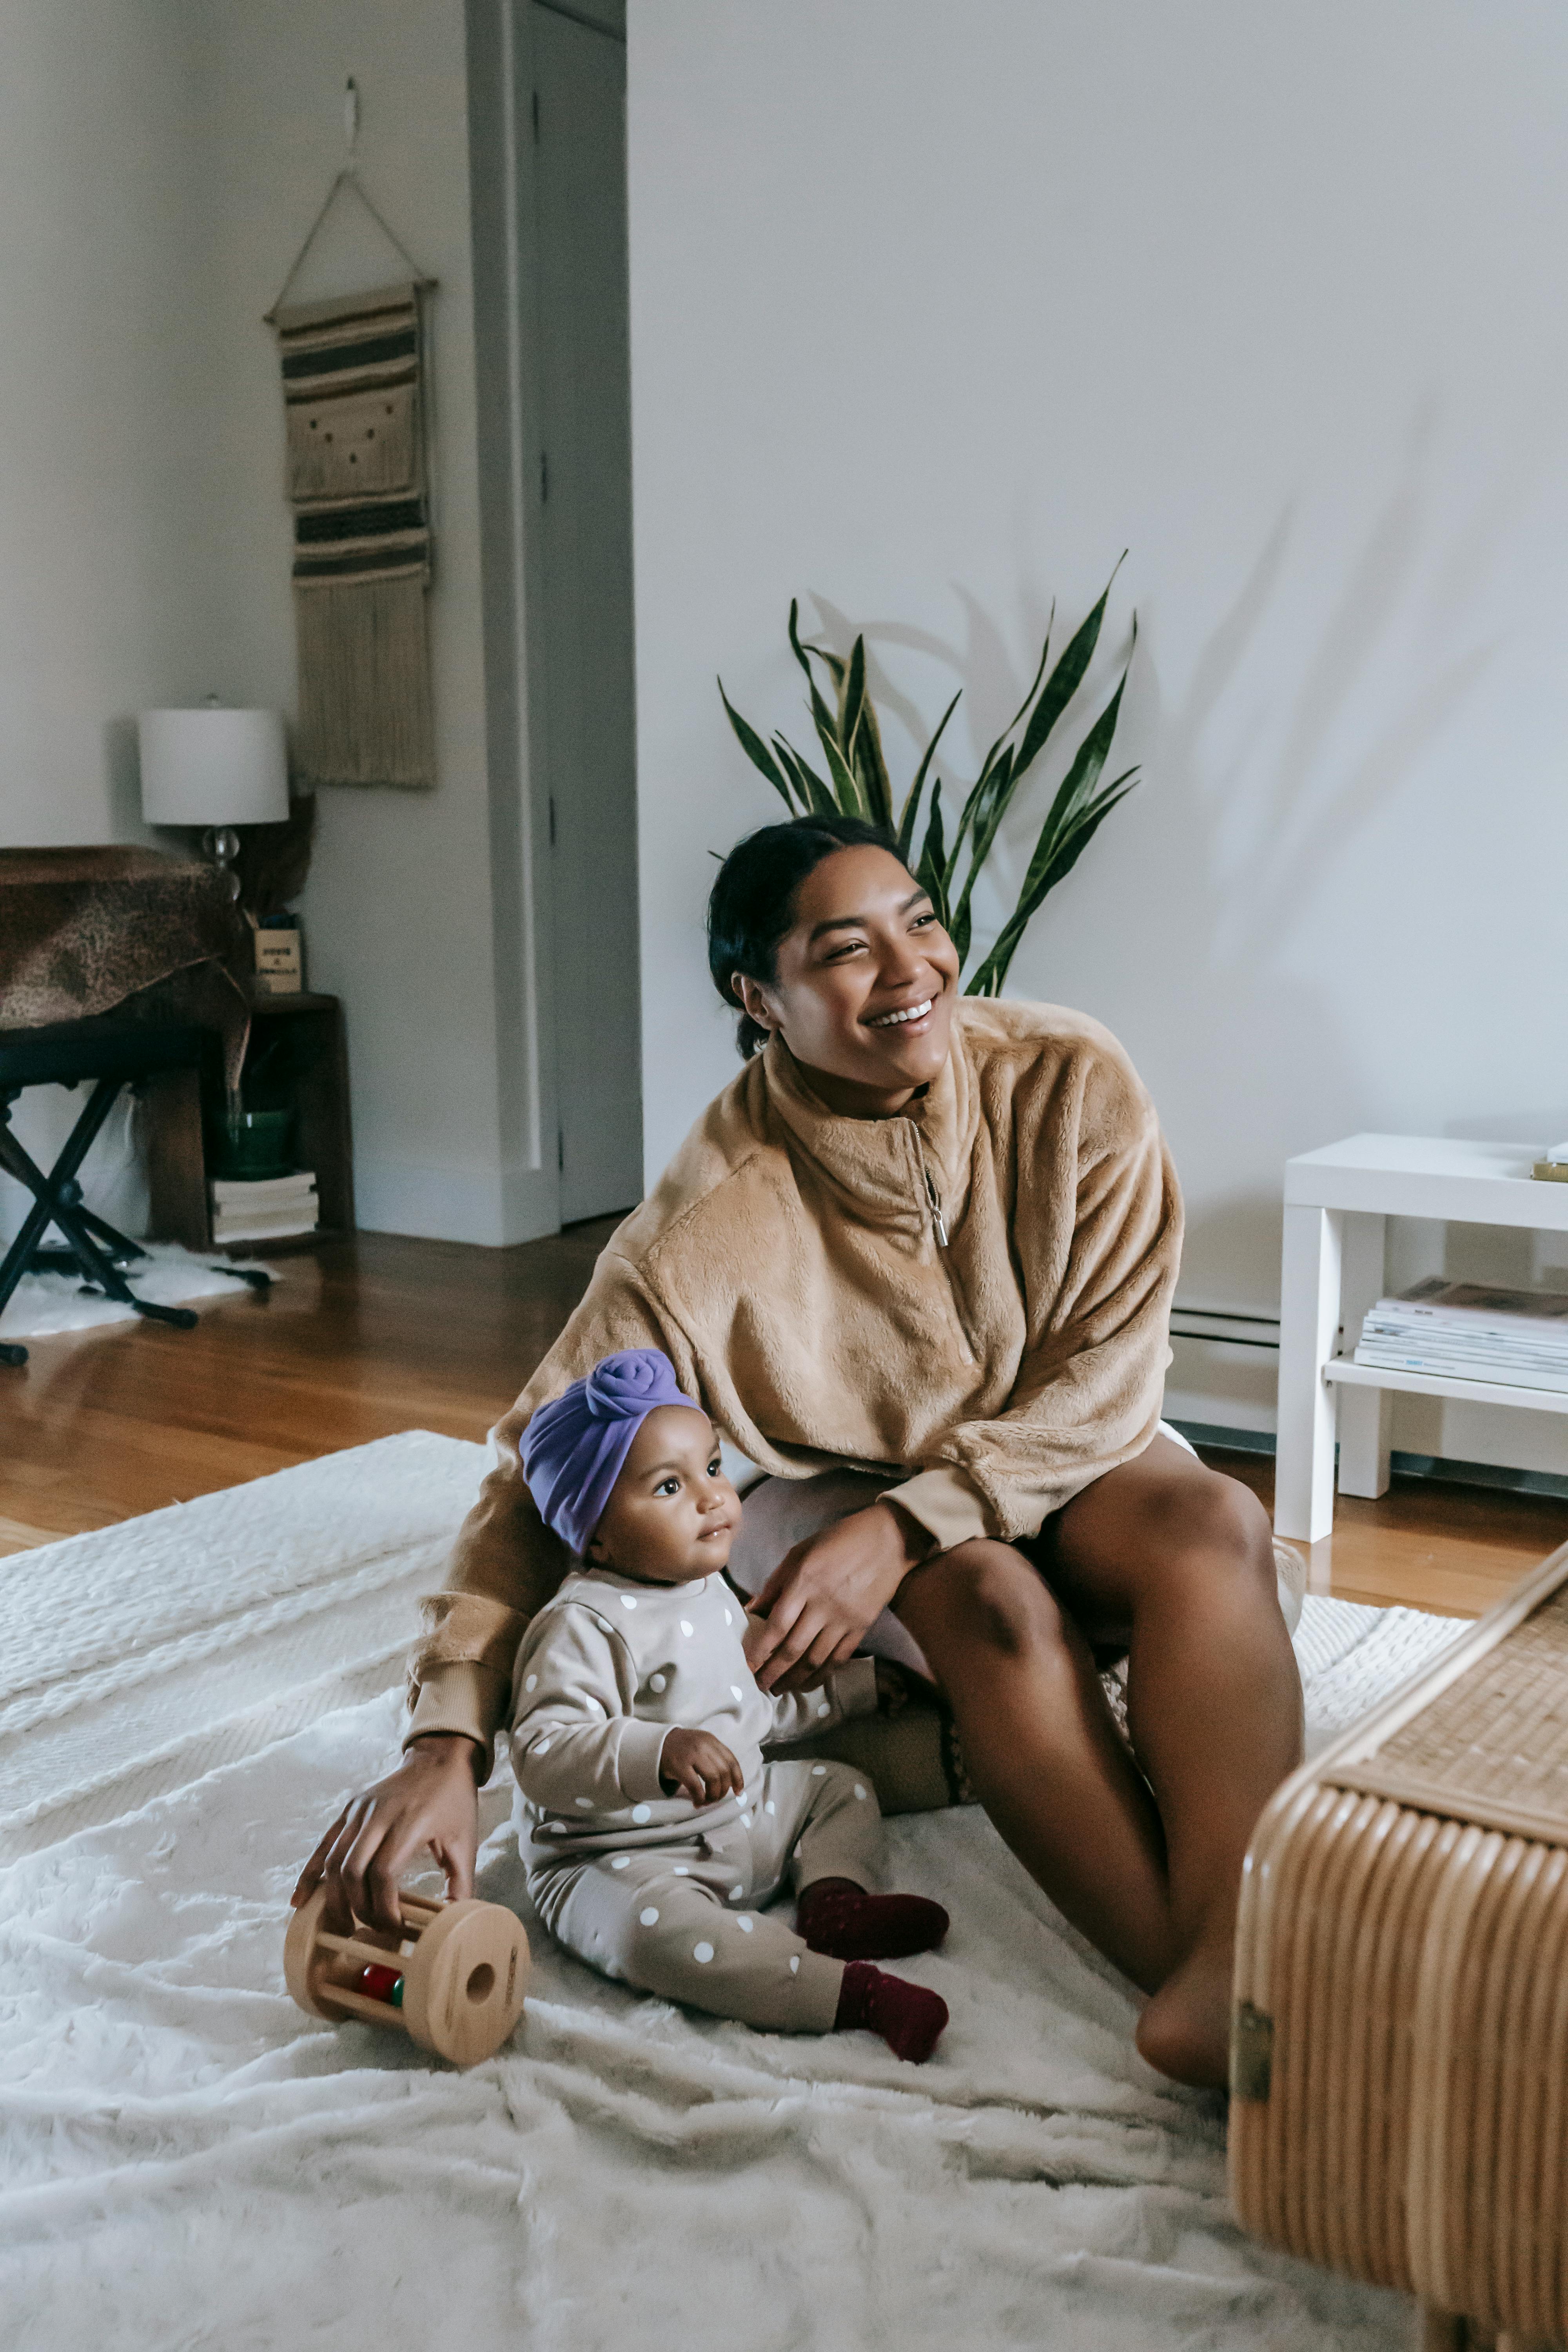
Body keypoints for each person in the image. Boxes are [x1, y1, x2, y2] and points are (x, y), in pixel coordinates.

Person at [296, 810, 1304, 2088]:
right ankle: (1210, 1996)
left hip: (1054, 1446)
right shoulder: (702, 1225)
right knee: (991, 1601)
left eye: (920, 922)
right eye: (846, 949)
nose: (912, 970)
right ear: (758, 997)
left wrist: (913, 1524)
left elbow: (1108, 1374)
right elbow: (540, 1471)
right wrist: (446, 1746)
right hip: (829, 1482)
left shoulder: (1071, 1080)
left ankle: (1246, 1956)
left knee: (1220, 1523)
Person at [509, 1345, 949, 2062]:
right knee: (650, 1937)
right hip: (620, 1856)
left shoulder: (711, 1591)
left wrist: (851, 1690)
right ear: (596, 1532)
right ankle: (847, 1993)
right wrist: (660, 1751)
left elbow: (754, 1709)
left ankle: (836, 1905)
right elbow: (542, 1753)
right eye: (668, 1488)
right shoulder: (583, 1624)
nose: (714, 1497)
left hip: (736, 1815)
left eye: (713, 1469)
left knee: (839, 1789)